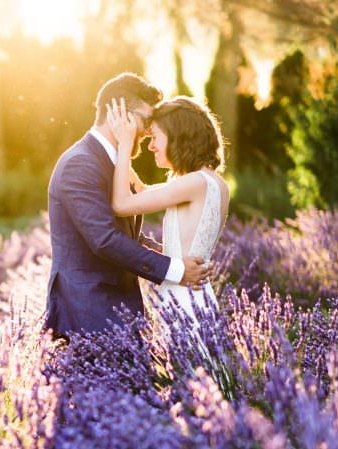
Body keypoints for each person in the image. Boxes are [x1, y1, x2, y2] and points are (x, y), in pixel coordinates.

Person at [43, 73, 210, 339]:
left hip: (117, 305)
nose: (148, 131)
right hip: (88, 308)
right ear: (117, 112)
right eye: (146, 120)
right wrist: (175, 270)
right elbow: (105, 239)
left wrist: (171, 253)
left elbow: (125, 232)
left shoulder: (115, 163)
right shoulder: (81, 164)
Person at [105, 95, 230, 333]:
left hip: (183, 299)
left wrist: (125, 144)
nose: (151, 146)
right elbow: (141, 190)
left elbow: (121, 204)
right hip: (195, 296)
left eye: (155, 138)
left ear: (177, 137)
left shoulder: (193, 183)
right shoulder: (212, 182)